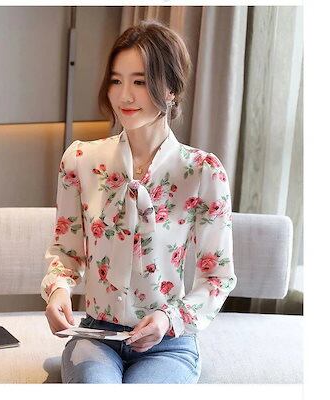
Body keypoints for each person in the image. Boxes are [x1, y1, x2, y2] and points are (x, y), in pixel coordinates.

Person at [41, 19, 237, 384]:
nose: (124, 96)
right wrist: (58, 290)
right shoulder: (81, 160)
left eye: (141, 82)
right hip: (96, 335)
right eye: (116, 81)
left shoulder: (202, 172)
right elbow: (67, 253)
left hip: (169, 341)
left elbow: (217, 277)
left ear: (172, 89)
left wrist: (167, 319)